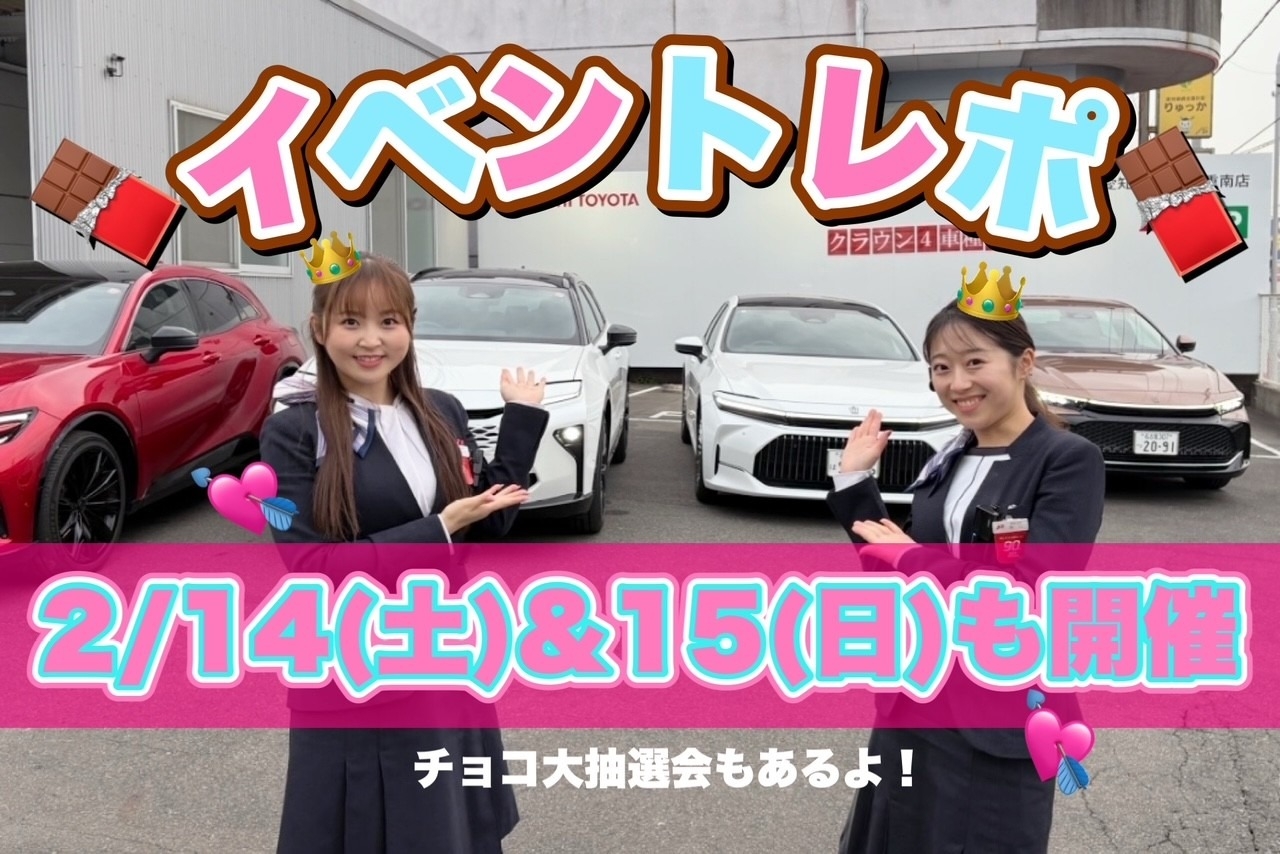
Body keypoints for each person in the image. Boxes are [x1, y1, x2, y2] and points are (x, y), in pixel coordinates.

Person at [259, 236, 550, 854]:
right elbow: (311, 566)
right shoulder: (293, 432)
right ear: (319, 328)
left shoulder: (441, 412)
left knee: (447, 825)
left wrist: (521, 421)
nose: (371, 340)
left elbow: (487, 524)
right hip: (354, 669)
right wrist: (437, 530)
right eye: (351, 322)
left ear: (409, 327)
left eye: (388, 321)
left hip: (442, 653)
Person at [827, 263, 1106, 854]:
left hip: (999, 717)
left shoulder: (1066, 459)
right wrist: (854, 481)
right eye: (941, 367)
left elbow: (1032, 588)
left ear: (1023, 363)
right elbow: (892, 563)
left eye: (975, 362)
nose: (957, 383)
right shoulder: (949, 456)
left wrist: (912, 562)